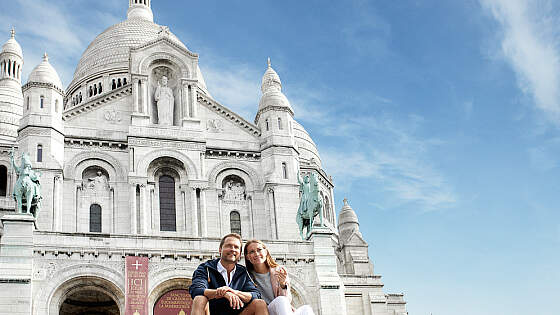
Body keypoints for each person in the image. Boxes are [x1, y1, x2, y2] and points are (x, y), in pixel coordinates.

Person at [190, 233, 269, 315]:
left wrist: (233, 292)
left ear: (240, 253)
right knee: (199, 299)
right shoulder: (205, 268)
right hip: (210, 312)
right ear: (220, 249)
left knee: (260, 303)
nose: (233, 249)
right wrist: (223, 293)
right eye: (229, 246)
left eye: (236, 247)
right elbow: (196, 290)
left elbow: (255, 294)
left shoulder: (244, 272)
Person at [244, 240, 315, 315]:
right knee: (280, 300)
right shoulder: (246, 275)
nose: (256, 254)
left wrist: (282, 285)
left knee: (306, 309)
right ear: (247, 257)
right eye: (252, 252)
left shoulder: (279, 270)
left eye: (259, 250)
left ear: (266, 252)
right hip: (263, 311)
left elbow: (286, 300)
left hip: (281, 310)